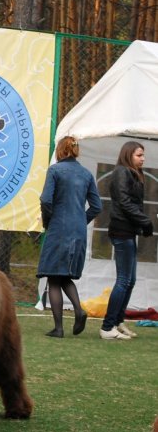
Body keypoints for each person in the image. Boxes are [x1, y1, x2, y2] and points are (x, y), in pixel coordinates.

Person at [36, 136, 102, 338]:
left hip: (59, 228)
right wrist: (81, 220)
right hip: (78, 230)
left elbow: (46, 200)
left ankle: (58, 328)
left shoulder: (55, 171)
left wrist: (48, 221)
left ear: (60, 151)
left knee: (54, 278)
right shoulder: (86, 174)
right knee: (63, 274)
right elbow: (97, 207)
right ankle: (79, 310)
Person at [100, 141, 153, 340]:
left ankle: (117, 321)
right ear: (128, 155)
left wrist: (141, 224)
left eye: (143, 155)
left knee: (130, 281)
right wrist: (145, 221)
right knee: (123, 280)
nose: (143, 158)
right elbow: (124, 202)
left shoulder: (133, 173)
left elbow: (133, 203)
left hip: (129, 231)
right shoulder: (121, 172)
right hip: (121, 231)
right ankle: (107, 327)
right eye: (139, 155)